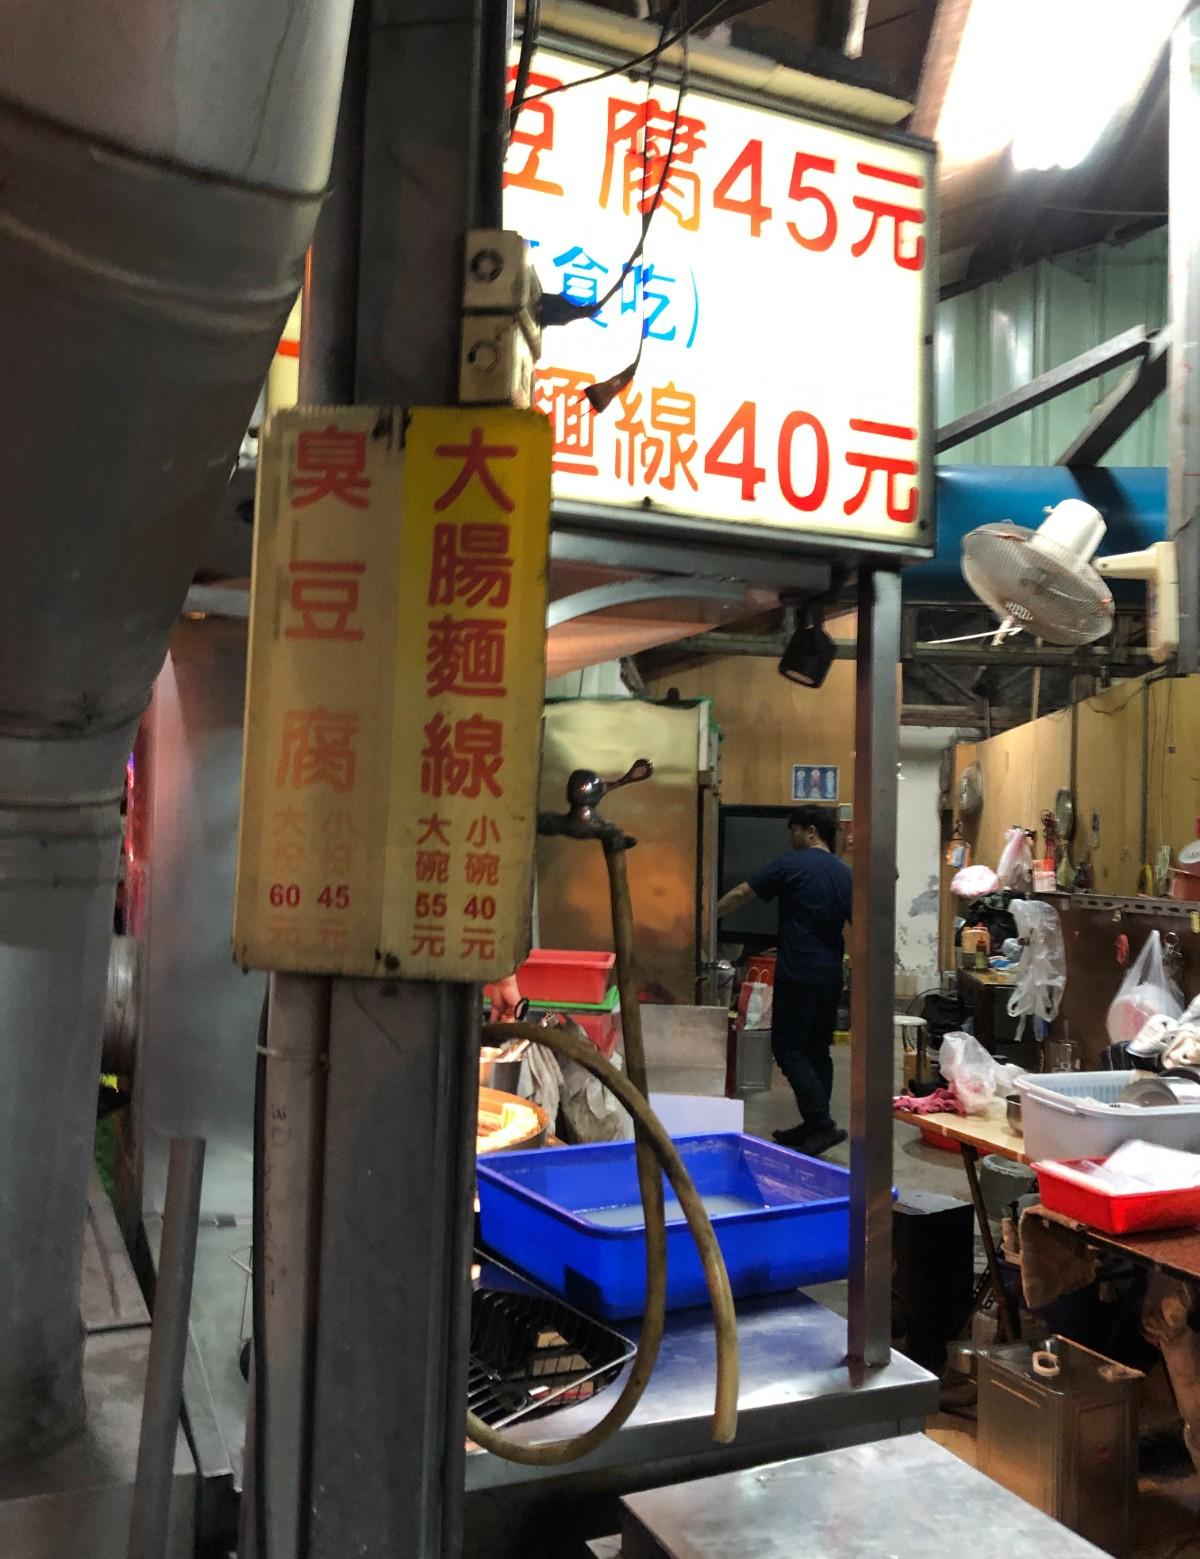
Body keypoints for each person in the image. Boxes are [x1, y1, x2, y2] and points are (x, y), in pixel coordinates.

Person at [716, 805, 851, 1156]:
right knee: (817, 1049)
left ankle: (820, 1123)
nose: (791, 838)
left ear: (811, 832)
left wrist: (704, 916)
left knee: (787, 1047)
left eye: (794, 831)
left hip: (798, 971)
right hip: (830, 974)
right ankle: (813, 1123)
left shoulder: (792, 864)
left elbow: (742, 894)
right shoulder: (844, 873)